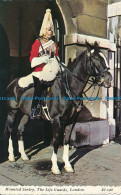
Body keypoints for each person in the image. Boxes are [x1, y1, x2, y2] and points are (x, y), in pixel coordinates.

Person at [18, 9, 59, 119]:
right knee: (39, 86)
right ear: (45, 30)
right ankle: (34, 109)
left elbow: (57, 57)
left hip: (51, 70)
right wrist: (42, 59)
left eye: (52, 30)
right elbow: (32, 60)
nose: (51, 32)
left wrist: (57, 61)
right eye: (49, 29)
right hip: (39, 71)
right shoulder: (37, 42)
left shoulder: (53, 44)